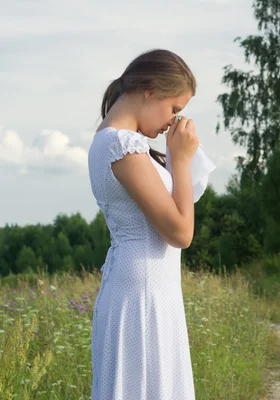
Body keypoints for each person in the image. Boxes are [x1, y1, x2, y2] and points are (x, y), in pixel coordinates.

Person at [88, 49, 210, 399]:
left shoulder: (121, 143)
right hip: (141, 296)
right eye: (174, 108)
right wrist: (180, 162)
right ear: (150, 90)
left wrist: (177, 158)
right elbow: (181, 233)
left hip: (148, 289)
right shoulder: (120, 145)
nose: (173, 120)